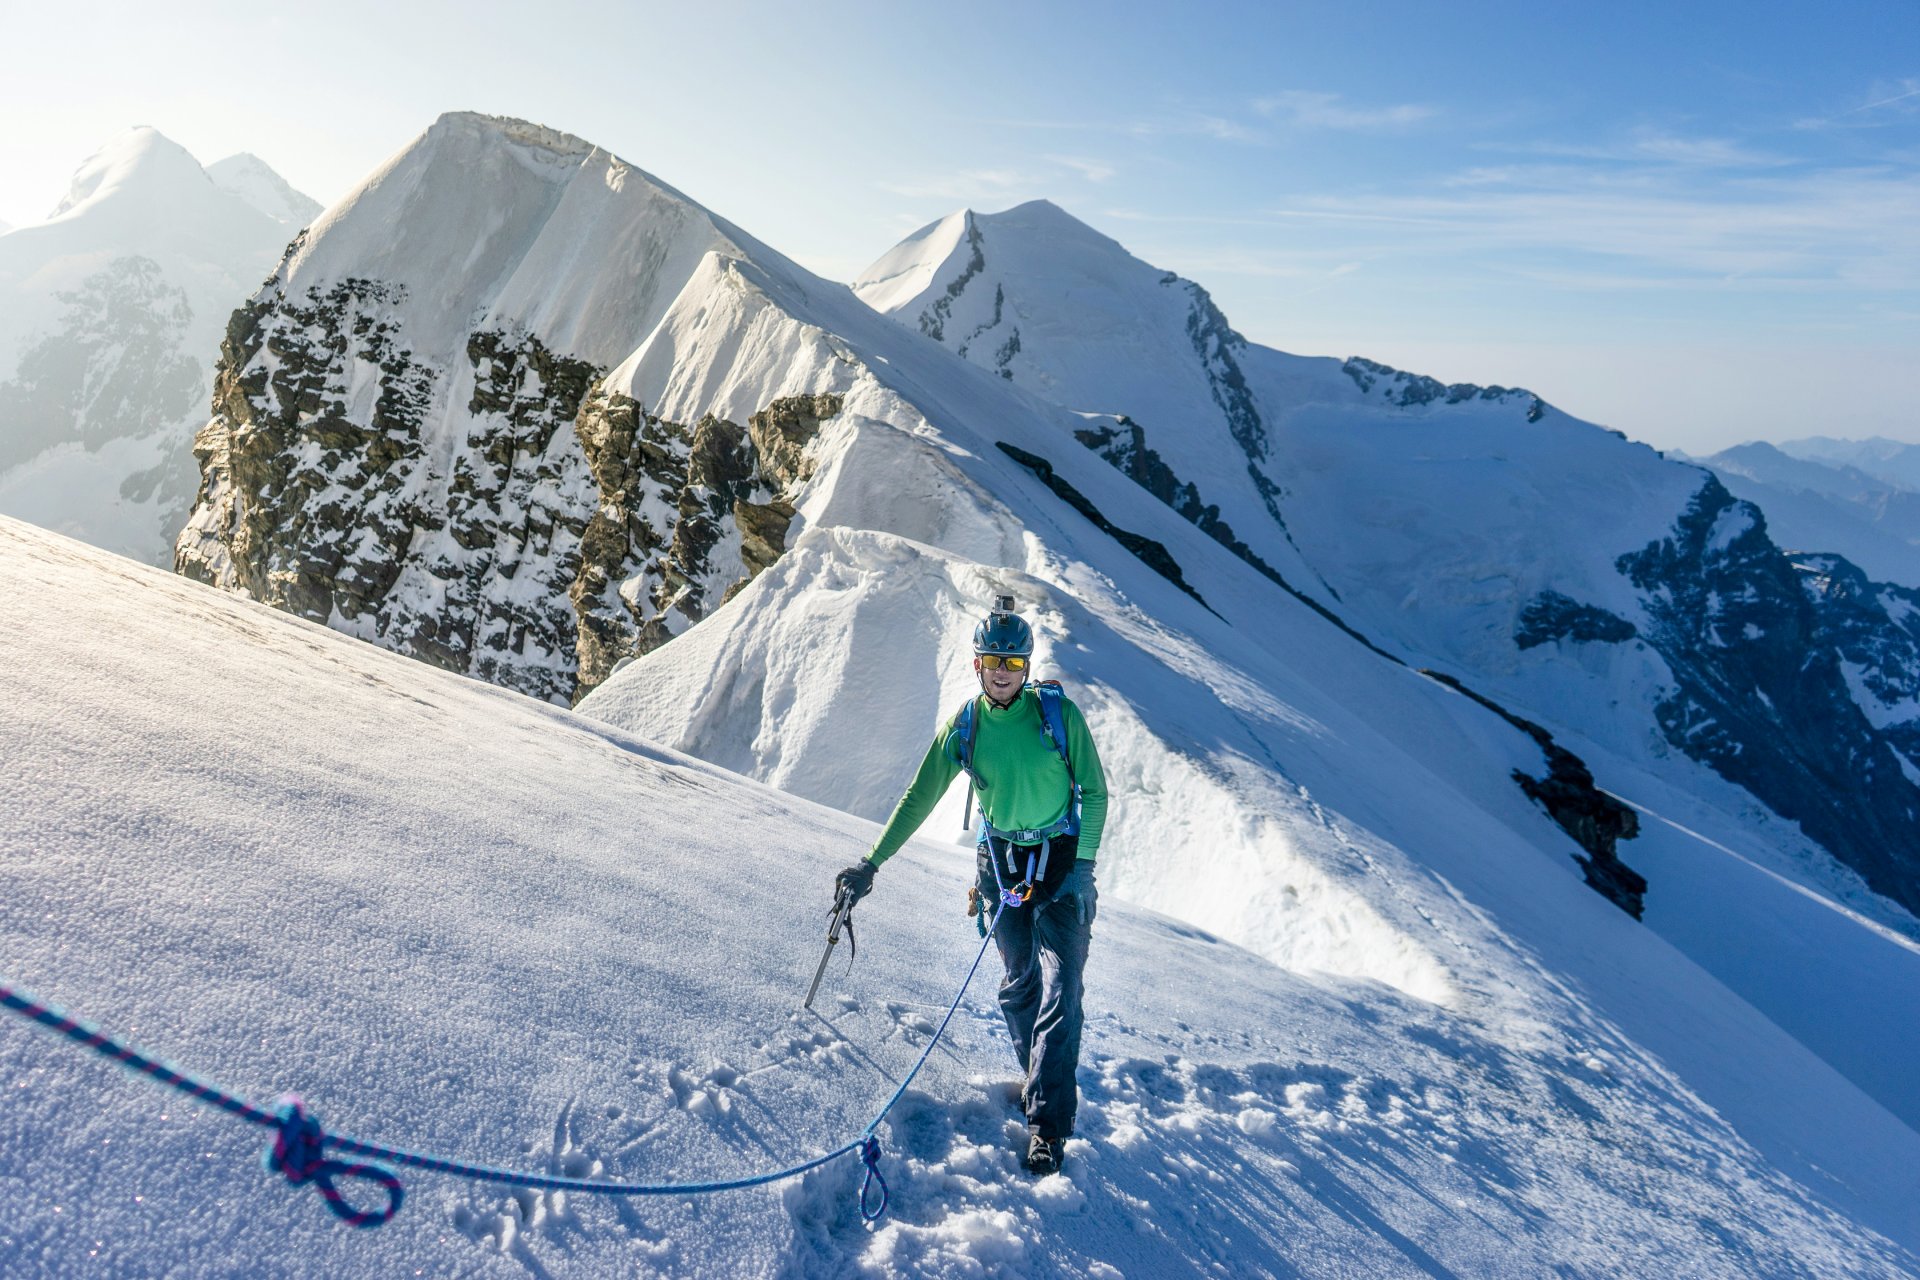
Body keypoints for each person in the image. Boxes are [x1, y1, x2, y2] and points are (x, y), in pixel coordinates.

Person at [833, 597, 1108, 1176]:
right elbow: (919, 795)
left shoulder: (1058, 717)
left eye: (1012, 662)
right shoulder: (966, 728)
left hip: (1060, 862)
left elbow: (1095, 792)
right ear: (977, 664)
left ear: (1027, 667)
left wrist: (1082, 869)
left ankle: (1046, 1127)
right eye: (993, 660)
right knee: (1018, 985)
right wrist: (871, 862)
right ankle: (1040, 1077)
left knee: (1065, 989)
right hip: (1001, 862)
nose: (1003, 670)